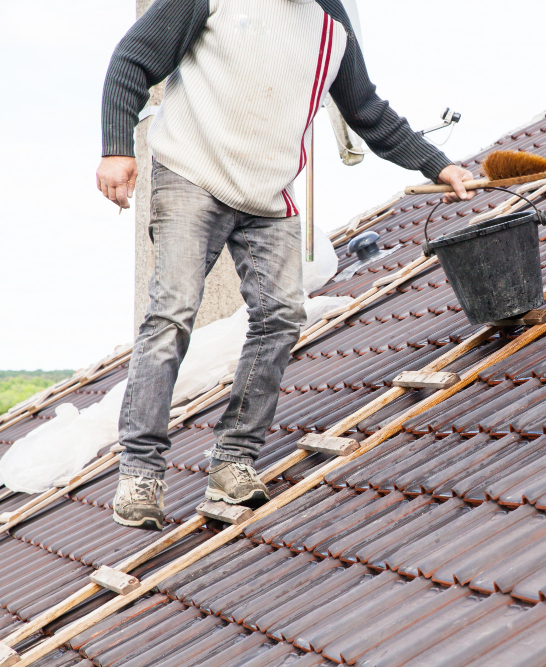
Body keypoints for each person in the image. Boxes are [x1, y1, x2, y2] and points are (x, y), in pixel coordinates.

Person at [97, 0, 474, 530]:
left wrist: (438, 165)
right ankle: (140, 470)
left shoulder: (331, 25)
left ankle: (234, 459)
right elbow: (132, 61)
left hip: (267, 193)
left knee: (281, 315)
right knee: (173, 313)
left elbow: (367, 111)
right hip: (192, 173)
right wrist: (117, 147)